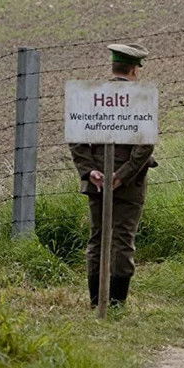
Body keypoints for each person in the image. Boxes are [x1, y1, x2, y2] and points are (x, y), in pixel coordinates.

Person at [69, 43, 158, 307]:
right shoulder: (140, 98)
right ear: (134, 69)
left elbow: (76, 138)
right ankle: (117, 303)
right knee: (122, 238)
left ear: (113, 66)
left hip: (96, 179)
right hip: (131, 183)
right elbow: (145, 145)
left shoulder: (91, 96)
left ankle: (96, 302)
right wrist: (123, 174)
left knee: (97, 237)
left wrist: (89, 171)